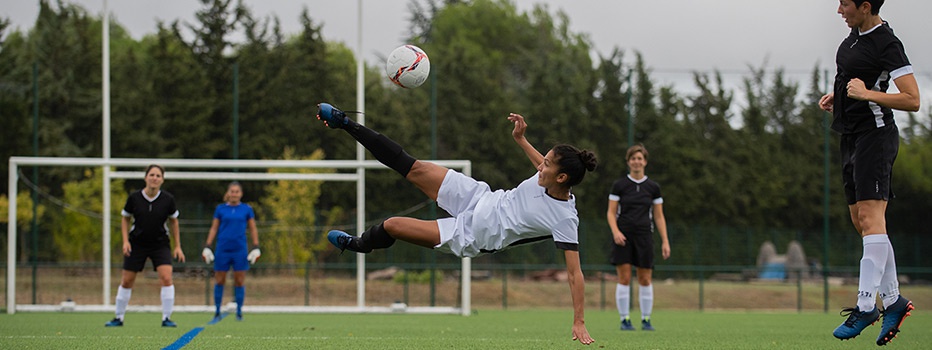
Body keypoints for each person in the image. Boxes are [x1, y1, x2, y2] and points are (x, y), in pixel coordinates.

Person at [316, 102, 597, 345]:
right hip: (479, 197)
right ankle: (346, 123)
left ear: (562, 178)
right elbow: (541, 163)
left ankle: (361, 244)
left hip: (473, 235)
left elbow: (575, 274)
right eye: (544, 160)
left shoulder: (564, 218)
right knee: (413, 167)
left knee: (392, 226)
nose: (540, 166)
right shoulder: (547, 176)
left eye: (547, 164)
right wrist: (521, 140)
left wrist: (579, 321)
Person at [817, 0, 920, 345]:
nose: (838, 10)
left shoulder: (887, 43)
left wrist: (866, 94)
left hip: (876, 137)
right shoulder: (853, 37)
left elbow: (912, 99)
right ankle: (893, 300)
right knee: (861, 222)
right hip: (850, 136)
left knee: (871, 218)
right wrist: (841, 97)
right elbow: (857, 78)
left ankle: (866, 305)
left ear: (864, 6)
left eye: (844, 4)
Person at [105, 164, 185, 327]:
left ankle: (166, 318)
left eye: (158, 176)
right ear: (145, 177)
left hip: (160, 244)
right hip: (137, 244)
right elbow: (125, 218)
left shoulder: (168, 199)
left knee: (166, 278)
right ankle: (118, 317)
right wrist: (126, 241)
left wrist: (177, 246)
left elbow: (174, 222)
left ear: (162, 180)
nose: (154, 178)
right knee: (127, 281)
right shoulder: (134, 198)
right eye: (152, 175)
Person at [605, 144, 670, 331]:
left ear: (645, 162)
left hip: (644, 236)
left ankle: (646, 319)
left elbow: (658, 216)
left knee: (645, 279)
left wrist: (665, 240)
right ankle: (624, 319)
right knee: (624, 278)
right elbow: (611, 212)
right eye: (633, 158)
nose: (636, 162)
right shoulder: (619, 185)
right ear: (628, 162)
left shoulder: (653, 187)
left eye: (640, 158)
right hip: (623, 237)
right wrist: (616, 232)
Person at [202, 181, 261, 321]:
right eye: (232, 191)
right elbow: (214, 228)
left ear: (241, 194)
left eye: (237, 191)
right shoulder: (220, 209)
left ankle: (239, 312)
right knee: (220, 279)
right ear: (228, 193)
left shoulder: (247, 209)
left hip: (239, 249)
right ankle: (217, 311)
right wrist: (207, 245)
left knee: (239, 280)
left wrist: (256, 246)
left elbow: (252, 228)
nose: (234, 194)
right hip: (223, 248)